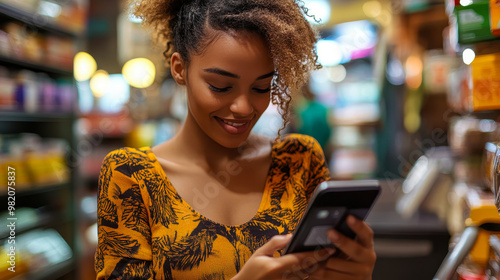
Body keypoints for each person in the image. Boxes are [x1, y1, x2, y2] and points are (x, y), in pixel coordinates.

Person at [95, 0, 376, 279]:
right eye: (221, 86)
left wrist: (354, 273)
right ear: (180, 69)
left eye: (261, 87)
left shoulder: (298, 161)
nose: (243, 107)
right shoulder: (132, 176)